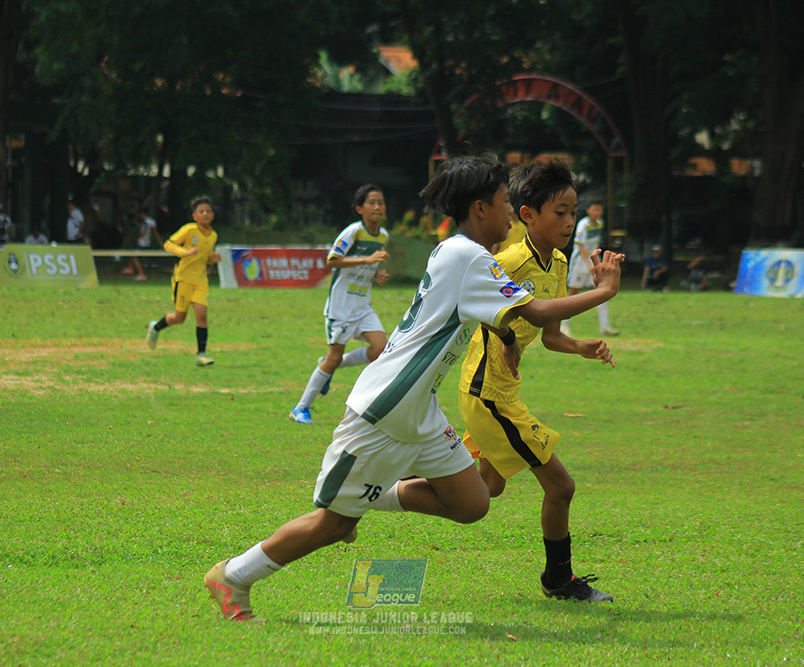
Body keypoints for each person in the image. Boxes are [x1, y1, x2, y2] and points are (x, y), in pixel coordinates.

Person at [203, 155, 624, 622]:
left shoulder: (460, 253)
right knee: (334, 524)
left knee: (473, 503)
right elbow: (537, 312)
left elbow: (498, 313)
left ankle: (367, 490)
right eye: (506, 204)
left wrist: (507, 339)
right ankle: (233, 577)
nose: (511, 213)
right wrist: (604, 291)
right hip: (385, 406)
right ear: (481, 209)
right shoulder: (469, 257)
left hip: (419, 410)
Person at [458, 160, 618, 604]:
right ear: (528, 215)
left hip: (501, 392)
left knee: (484, 489)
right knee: (560, 486)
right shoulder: (509, 259)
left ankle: (384, 485)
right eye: (560, 212)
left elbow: (548, 335)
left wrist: (578, 346)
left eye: (573, 211)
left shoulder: (560, 262)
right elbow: (476, 306)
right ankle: (559, 581)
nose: (569, 222)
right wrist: (505, 335)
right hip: (486, 394)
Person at [289, 185, 389, 425]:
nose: (377, 207)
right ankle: (300, 408)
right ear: (359, 208)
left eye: (381, 202)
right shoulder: (353, 232)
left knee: (381, 349)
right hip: (341, 307)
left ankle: (328, 367)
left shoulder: (383, 236)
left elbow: (367, 265)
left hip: (363, 306)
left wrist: (376, 275)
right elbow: (332, 261)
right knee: (333, 358)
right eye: (372, 202)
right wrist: (367, 259)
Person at [145, 195, 222, 366]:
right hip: (184, 279)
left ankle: (201, 355)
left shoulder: (213, 236)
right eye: (201, 211)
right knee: (179, 318)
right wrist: (183, 252)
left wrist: (212, 259)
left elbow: (204, 258)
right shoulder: (189, 230)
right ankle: (156, 327)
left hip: (201, 281)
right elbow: (168, 244)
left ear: (213, 215)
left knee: (202, 315)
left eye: (208, 211)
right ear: (194, 216)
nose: (205, 214)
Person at [562, 199, 618, 337]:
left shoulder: (599, 223)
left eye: (599, 210)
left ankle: (604, 327)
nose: (597, 212)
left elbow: (595, 244)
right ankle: (563, 325)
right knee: (573, 292)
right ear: (588, 211)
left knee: (601, 291)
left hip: (593, 259)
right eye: (595, 209)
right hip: (580, 261)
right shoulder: (583, 225)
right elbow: (580, 247)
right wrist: (589, 264)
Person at [122, 207, 163, 281]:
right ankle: (130, 268)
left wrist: (139, 237)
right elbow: (155, 231)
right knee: (132, 252)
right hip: (147, 242)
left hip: (142, 242)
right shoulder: (152, 221)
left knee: (135, 257)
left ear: (142, 214)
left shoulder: (145, 222)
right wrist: (160, 241)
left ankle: (142, 275)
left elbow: (144, 231)